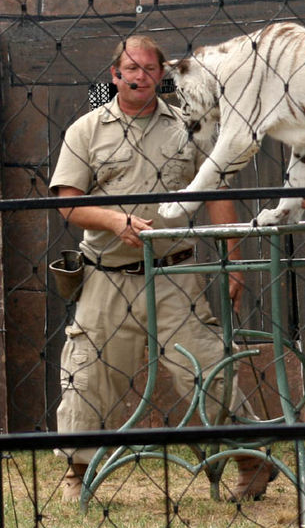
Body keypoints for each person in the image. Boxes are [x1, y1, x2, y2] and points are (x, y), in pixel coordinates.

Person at [50, 35, 275, 502]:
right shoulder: (85, 131)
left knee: (206, 366)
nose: (140, 76)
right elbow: (68, 205)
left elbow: (215, 194)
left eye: (150, 69)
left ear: (162, 75)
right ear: (115, 74)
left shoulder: (188, 128)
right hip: (108, 274)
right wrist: (115, 220)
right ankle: (77, 471)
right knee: (87, 372)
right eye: (131, 69)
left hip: (175, 273)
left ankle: (251, 459)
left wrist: (234, 262)